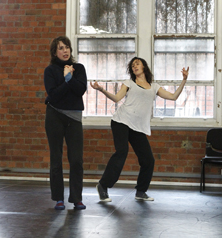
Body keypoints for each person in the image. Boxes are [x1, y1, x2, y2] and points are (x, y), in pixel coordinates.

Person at [90, 57, 189, 202]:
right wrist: (101, 89)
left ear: (144, 66)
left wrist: (184, 80)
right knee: (121, 152)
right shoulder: (129, 83)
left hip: (137, 127)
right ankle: (103, 186)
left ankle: (141, 191)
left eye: (137, 63)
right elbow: (117, 98)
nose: (134, 66)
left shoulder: (154, 86)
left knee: (148, 160)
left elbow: (173, 97)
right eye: (132, 65)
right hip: (121, 121)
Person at [44, 36, 87, 210]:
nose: (65, 51)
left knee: (76, 160)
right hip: (55, 115)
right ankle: (58, 198)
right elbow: (53, 95)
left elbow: (80, 90)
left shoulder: (79, 68)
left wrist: (69, 78)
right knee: (56, 158)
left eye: (67, 47)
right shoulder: (50, 70)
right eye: (61, 48)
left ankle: (76, 198)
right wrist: (66, 79)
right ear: (55, 52)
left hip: (74, 118)